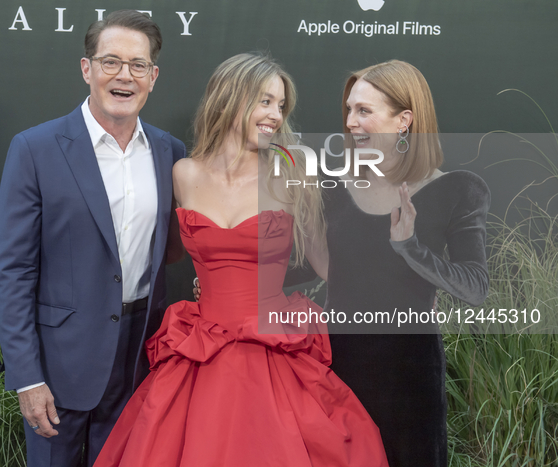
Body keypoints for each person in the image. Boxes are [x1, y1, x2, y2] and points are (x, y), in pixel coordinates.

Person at [92, 53, 389, 467]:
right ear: (230, 99)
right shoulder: (183, 173)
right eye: (265, 101)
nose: (276, 116)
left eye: (281, 105)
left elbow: (326, 263)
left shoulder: (293, 170)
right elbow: (168, 251)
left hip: (274, 349)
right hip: (200, 350)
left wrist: (399, 272)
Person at [0, 10, 186, 466]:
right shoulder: (35, 148)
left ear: (153, 77)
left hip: (140, 357)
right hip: (59, 364)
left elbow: (176, 248)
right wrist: (27, 378)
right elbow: (13, 271)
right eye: (110, 62)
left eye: (138, 65)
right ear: (87, 68)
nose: (124, 75)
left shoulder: (170, 152)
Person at [283, 60, 490, 466]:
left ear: (404, 120)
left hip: (410, 375)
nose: (350, 122)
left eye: (364, 110)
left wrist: (409, 245)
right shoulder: (330, 186)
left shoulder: (457, 190)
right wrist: (236, 274)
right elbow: (318, 267)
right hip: (338, 366)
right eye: (349, 110)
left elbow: (474, 288)